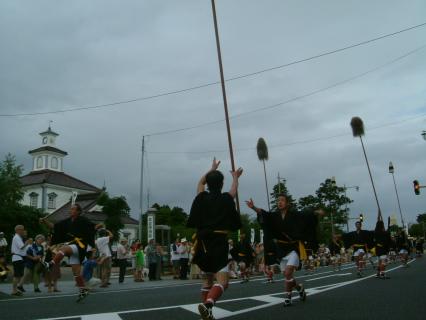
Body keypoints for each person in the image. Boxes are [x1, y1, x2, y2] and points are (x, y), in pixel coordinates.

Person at [187, 158, 243, 320]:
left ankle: (207, 314)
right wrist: (235, 177)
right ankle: (208, 304)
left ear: (208, 183)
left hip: (203, 242)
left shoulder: (202, 196)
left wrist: (211, 170)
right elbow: (233, 191)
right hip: (218, 241)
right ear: (221, 183)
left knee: (207, 279)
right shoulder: (225, 199)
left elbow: (200, 183)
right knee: (223, 281)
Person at [246, 194, 323, 307]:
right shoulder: (275, 216)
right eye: (278, 200)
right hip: (281, 249)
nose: (279, 202)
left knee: (288, 272)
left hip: (293, 247)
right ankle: (299, 288)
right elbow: (264, 214)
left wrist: (316, 212)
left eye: (282, 200)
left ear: (287, 203)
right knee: (288, 276)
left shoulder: (294, 214)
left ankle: (288, 297)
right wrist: (253, 207)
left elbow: (305, 215)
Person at [40, 204, 99, 302]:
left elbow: (93, 226)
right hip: (73, 246)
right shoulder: (66, 222)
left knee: (63, 248)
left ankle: (50, 264)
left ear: (78, 211)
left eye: (72, 209)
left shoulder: (83, 220)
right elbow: (55, 227)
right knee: (76, 273)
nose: (70, 210)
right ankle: (82, 290)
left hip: (80, 245)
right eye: (70, 209)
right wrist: (45, 221)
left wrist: (99, 226)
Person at [11, 225, 32, 296]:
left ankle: (15, 289)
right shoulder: (17, 237)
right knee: (17, 275)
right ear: (18, 230)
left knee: (18, 275)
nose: (23, 231)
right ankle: (14, 290)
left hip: (18, 258)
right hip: (18, 258)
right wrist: (27, 242)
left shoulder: (18, 237)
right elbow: (21, 247)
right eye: (22, 230)